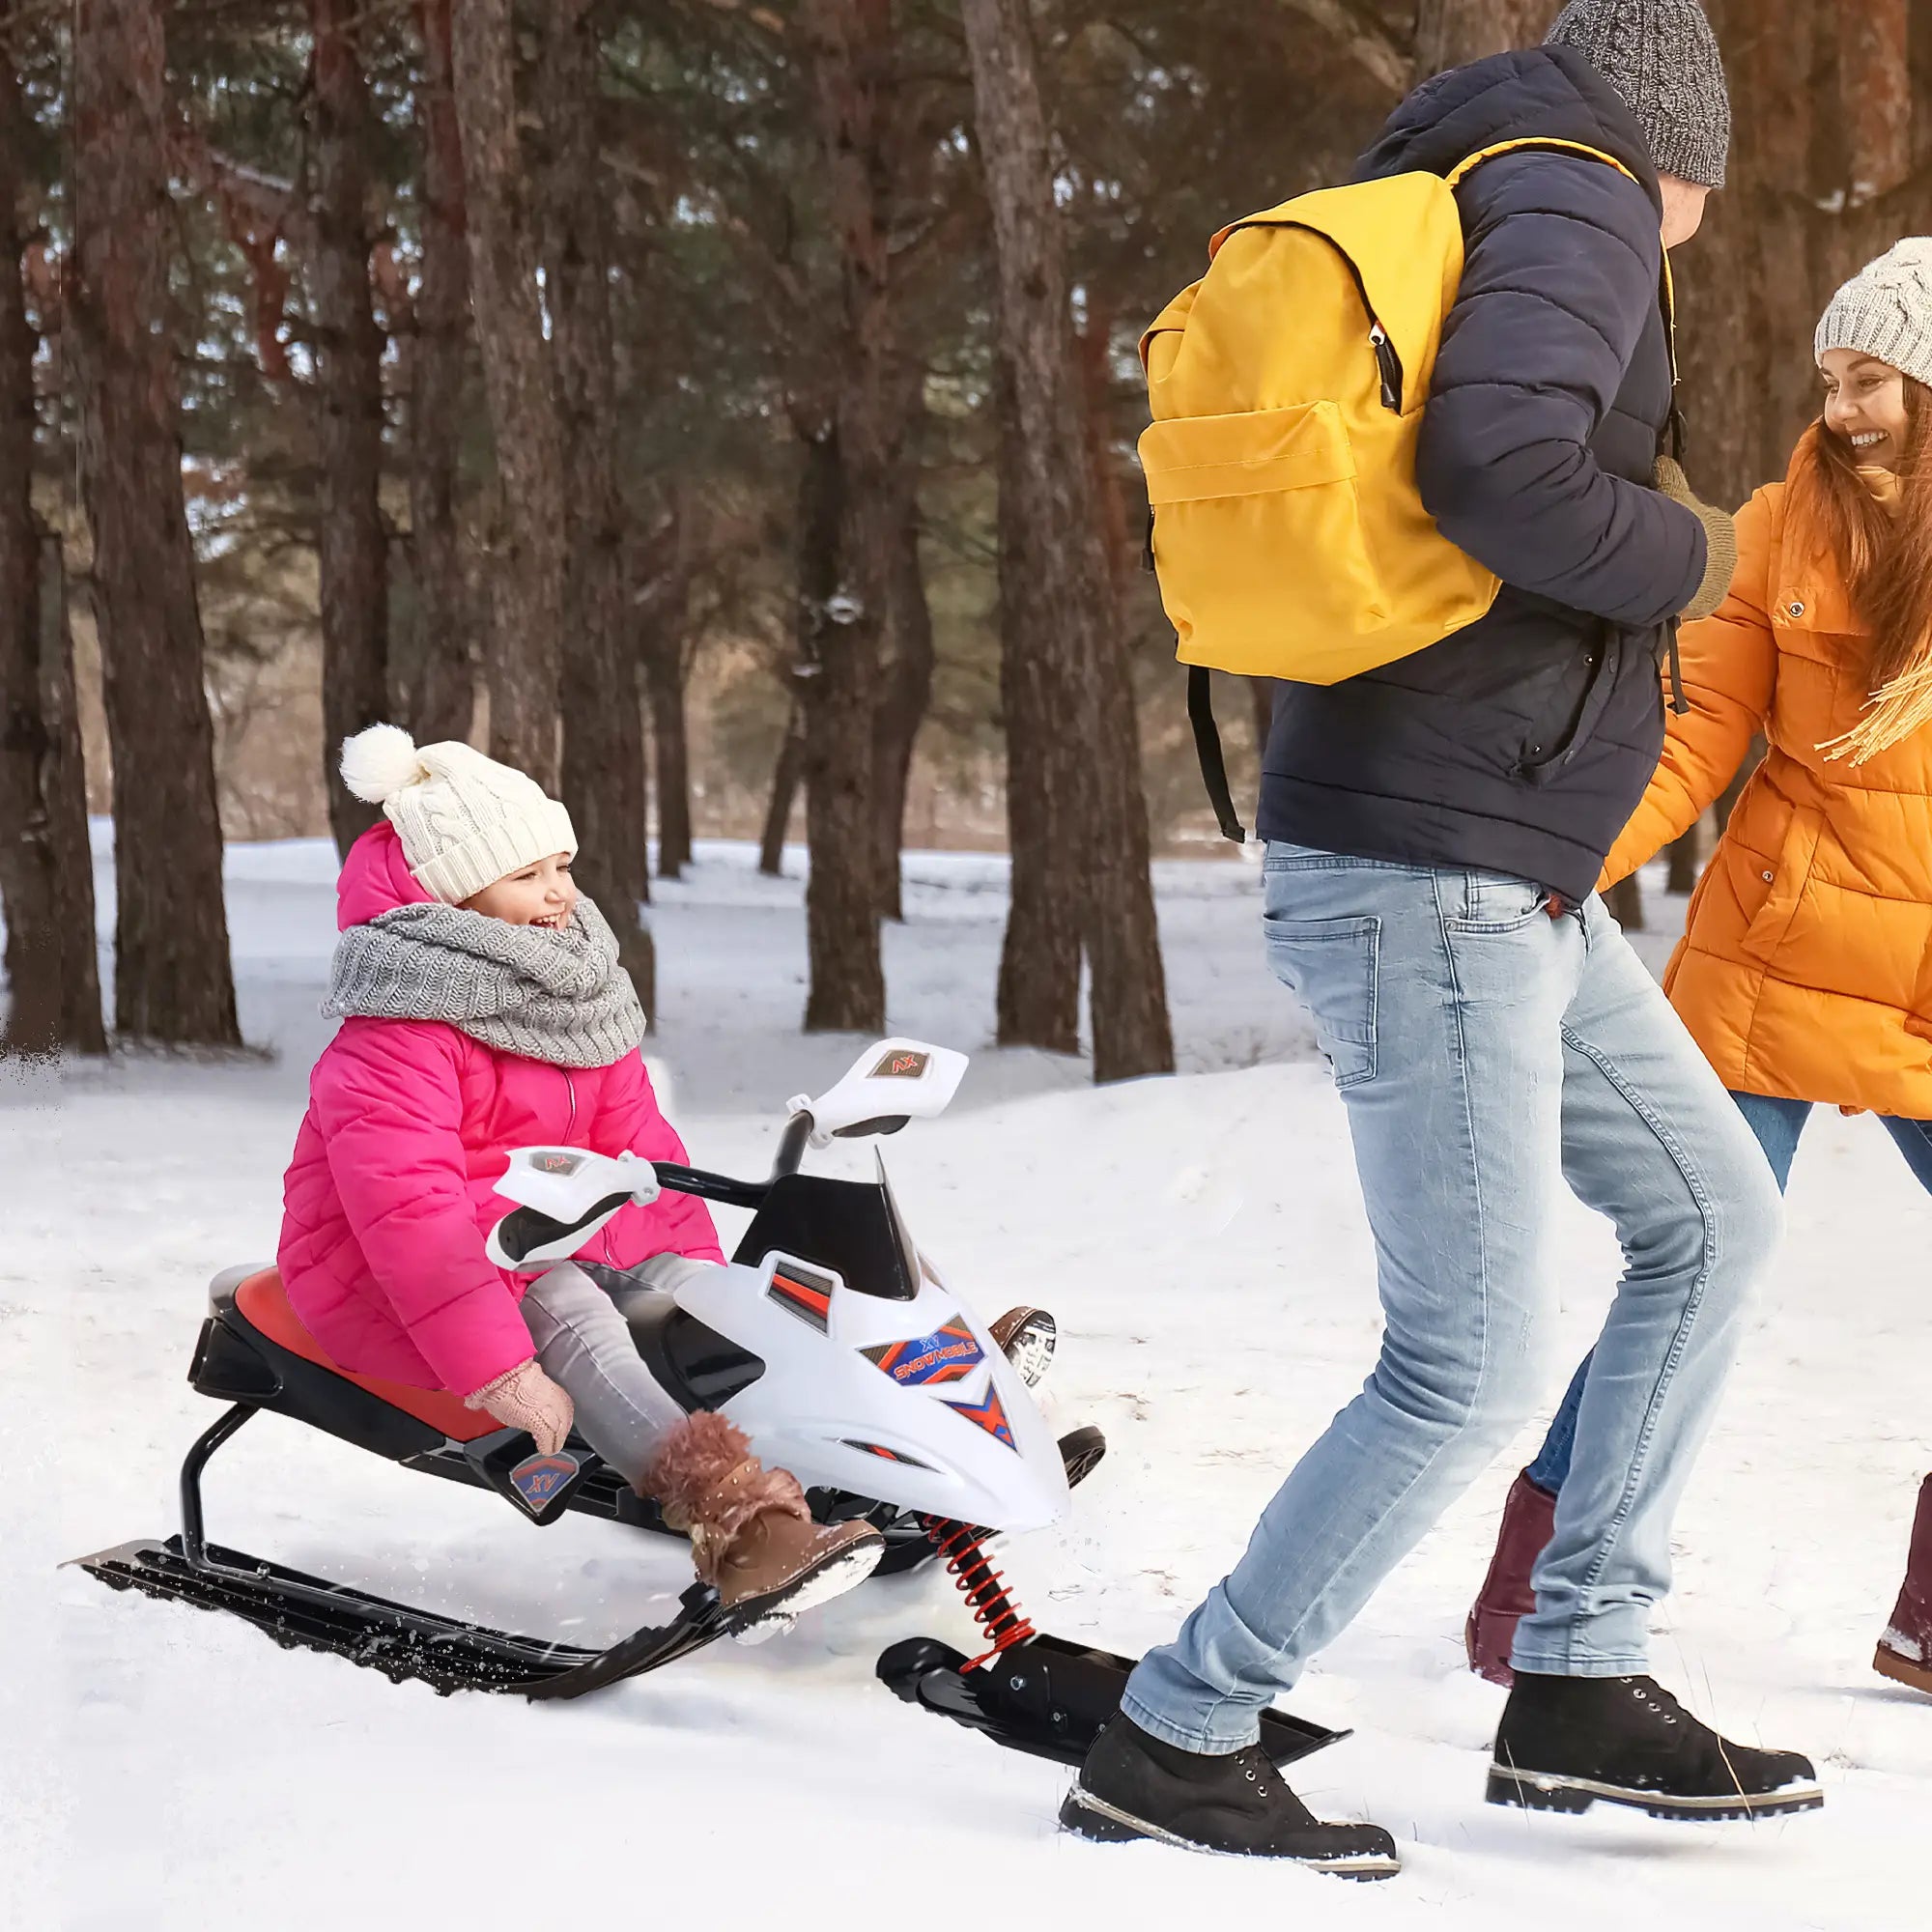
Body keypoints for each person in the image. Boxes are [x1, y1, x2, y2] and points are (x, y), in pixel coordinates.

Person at [1061, 0, 1820, 1874]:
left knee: (1709, 1211)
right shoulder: (1574, 199)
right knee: (1466, 1359)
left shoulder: (1455, 178)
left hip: (1489, 856)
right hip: (1434, 866)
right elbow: (1501, 472)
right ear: (1685, 142)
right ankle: (1185, 1722)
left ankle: (1577, 1670)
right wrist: (1697, 557)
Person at [1464, 240, 1932, 1705]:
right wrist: (1566, 858)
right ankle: (1535, 1588)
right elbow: (1693, 733)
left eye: (1872, 379)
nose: (1842, 405)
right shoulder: (1775, 531)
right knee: (1694, 1261)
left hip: (1924, 976)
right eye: (1831, 379)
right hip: (1774, 959)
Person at [277, 724, 885, 1628]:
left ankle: (894, 1409)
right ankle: (745, 1530)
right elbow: (410, 1213)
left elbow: (642, 1146)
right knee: (571, 1305)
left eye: (562, 866)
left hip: (550, 1225)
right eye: (527, 877)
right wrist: (496, 1367)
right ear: (451, 897)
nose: (561, 894)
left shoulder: (573, 995)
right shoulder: (397, 1030)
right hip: (401, 1273)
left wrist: (700, 1285)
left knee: (705, 1290)